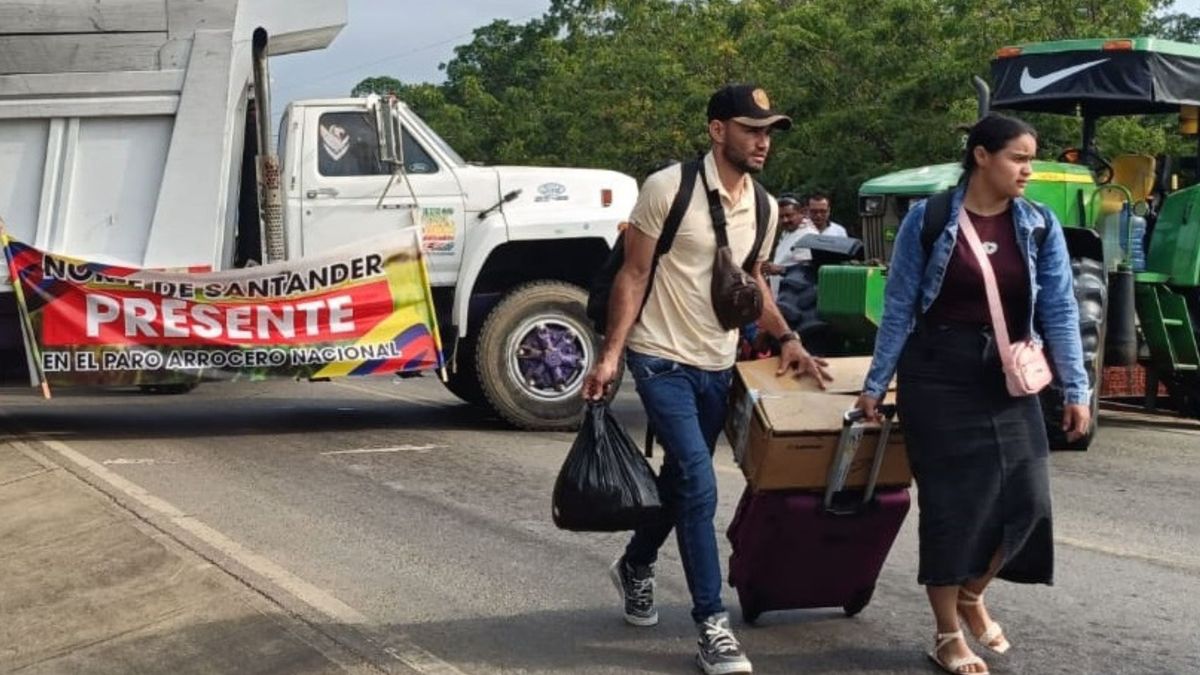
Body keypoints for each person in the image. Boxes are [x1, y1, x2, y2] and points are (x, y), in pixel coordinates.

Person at [582, 83, 831, 675]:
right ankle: (711, 625)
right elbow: (635, 275)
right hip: (659, 357)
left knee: (679, 483)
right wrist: (611, 355)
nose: (763, 141)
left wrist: (789, 338)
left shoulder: (766, 207)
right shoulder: (668, 188)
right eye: (751, 129)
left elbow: (751, 285)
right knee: (699, 480)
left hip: (718, 364)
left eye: (768, 131)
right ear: (718, 130)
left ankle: (636, 563)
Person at [855, 113, 1091, 675]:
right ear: (982, 156)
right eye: (1018, 158)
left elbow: (1059, 309)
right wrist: (874, 383)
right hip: (937, 375)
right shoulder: (928, 220)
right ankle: (945, 635)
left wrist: (1077, 387)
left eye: (1031, 158)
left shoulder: (1037, 224)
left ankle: (971, 593)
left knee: (1029, 498)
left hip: (1007, 373)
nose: (1028, 170)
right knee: (952, 506)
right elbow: (900, 308)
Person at [762, 195, 817, 295]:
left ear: (802, 213)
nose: (785, 220)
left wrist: (781, 270)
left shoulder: (808, 235)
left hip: (797, 297)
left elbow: (808, 269)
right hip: (781, 294)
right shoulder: (787, 232)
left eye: (789, 215)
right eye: (781, 216)